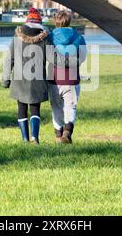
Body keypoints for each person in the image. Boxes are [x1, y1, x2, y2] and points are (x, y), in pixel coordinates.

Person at [2, 8, 49, 145]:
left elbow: (9, 59)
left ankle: (25, 139)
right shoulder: (46, 37)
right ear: (40, 22)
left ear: (27, 22)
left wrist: (6, 79)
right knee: (35, 108)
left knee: (21, 108)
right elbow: (53, 59)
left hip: (19, 80)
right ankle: (35, 137)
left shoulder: (17, 37)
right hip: (38, 79)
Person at [48, 10, 87, 144]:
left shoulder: (50, 37)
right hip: (71, 78)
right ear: (69, 21)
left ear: (56, 22)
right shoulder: (78, 37)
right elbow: (82, 57)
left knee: (56, 108)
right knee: (70, 107)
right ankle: (67, 132)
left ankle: (58, 137)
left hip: (54, 78)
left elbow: (47, 56)